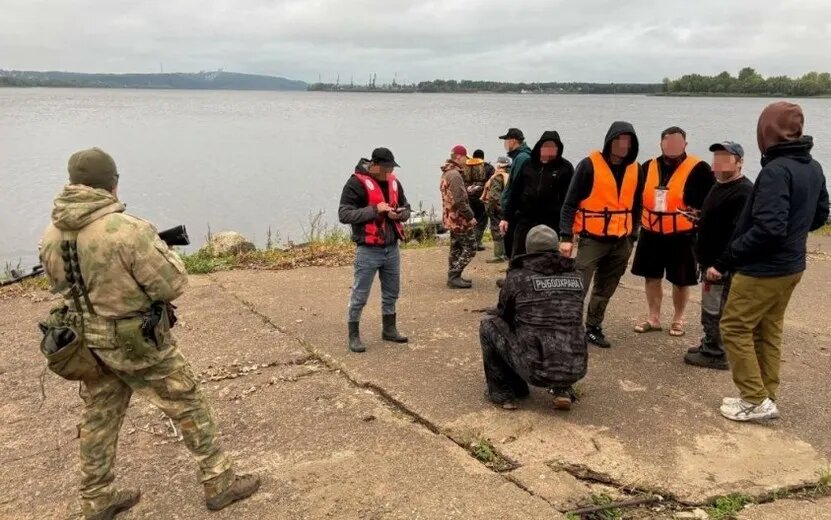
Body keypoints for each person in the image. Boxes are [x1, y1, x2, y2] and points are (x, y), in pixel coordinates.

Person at [38, 148, 259, 520]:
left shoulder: (52, 232)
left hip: (86, 344)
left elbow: (62, 284)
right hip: (136, 342)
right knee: (188, 403)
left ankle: (96, 499)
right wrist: (162, 253)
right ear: (113, 183)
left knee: (99, 418)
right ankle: (219, 482)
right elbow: (172, 284)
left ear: (73, 183)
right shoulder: (127, 230)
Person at [720, 102, 829, 422]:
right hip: (792, 266)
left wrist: (735, 251)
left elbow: (769, 228)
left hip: (762, 269)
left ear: (766, 132)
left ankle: (754, 398)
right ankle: (764, 394)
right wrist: (794, 234)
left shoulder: (776, 170)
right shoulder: (813, 166)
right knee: (768, 329)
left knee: (735, 327)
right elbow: (821, 215)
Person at [480, 225, 587, 411]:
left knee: (489, 325)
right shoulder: (576, 276)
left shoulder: (518, 277)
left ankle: (502, 393)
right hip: (577, 367)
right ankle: (563, 388)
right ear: (556, 248)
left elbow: (503, 313)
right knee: (561, 324)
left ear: (528, 250)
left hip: (536, 371)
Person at [559, 122, 644, 348]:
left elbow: (637, 206)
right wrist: (565, 237)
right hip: (592, 239)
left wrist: (632, 234)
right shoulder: (588, 166)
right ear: (609, 141)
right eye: (619, 140)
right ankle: (569, 328)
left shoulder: (637, 169)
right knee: (578, 285)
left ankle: (594, 327)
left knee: (606, 287)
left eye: (628, 141)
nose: (623, 145)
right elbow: (569, 204)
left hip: (621, 241)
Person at [632, 127, 714, 337]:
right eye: (668, 142)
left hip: (682, 234)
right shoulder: (647, 166)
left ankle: (678, 319)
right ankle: (654, 317)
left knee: (681, 280)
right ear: (661, 143)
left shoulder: (700, 168)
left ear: (685, 144)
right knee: (651, 277)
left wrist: (701, 219)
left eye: (678, 143)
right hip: (651, 232)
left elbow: (711, 202)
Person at [684, 142, 752, 370]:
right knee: (710, 306)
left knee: (715, 308)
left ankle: (715, 352)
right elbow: (718, 218)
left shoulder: (744, 191)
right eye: (716, 157)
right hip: (708, 260)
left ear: (740, 162)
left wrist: (720, 265)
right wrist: (700, 218)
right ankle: (710, 342)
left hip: (721, 265)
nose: (719, 162)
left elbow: (738, 234)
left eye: (726, 157)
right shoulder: (719, 184)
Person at [338, 147, 411, 353]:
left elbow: (406, 206)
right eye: (386, 168)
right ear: (375, 165)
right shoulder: (355, 183)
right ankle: (354, 335)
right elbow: (344, 214)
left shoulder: (394, 182)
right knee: (360, 294)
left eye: (391, 168)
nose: (390, 172)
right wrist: (374, 210)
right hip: (368, 250)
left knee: (392, 292)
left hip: (391, 248)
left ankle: (389, 329)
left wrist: (401, 214)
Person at [502, 131, 574, 257]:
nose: (550, 149)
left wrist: (567, 232)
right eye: (547, 145)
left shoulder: (565, 168)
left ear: (558, 149)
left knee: (548, 257)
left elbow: (569, 201)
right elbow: (515, 192)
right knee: (518, 256)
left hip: (552, 222)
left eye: (554, 146)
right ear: (540, 146)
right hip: (526, 219)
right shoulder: (528, 164)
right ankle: (516, 276)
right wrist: (506, 217)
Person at [441, 145, 477, 289]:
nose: (466, 162)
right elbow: (459, 200)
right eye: (465, 158)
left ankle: (454, 276)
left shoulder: (446, 173)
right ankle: (454, 276)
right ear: (458, 157)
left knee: (456, 247)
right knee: (471, 247)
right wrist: (470, 216)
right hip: (459, 219)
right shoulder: (455, 175)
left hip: (451, 218)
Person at [497, 128, 532, 259]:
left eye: (506, 140)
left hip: (516, 211)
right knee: (512, 244)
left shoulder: (522, 158)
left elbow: (515, 187)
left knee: (513, 245)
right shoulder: (519, 157)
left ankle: (514, 276)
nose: (505, 144)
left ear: (513, 141)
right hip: (515, 210)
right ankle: (513, 274)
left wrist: (508, 213)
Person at [481, 156, 512, 263]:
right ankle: (507, 253)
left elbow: (494, 196)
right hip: (508, 208)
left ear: (499, 165)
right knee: (507, 230)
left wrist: (490, 209)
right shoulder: (511, 175)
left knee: (496, 229)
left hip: (497, 209)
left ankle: (499, 255)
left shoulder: (497, 177)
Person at [465, 149, 493, 251]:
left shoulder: (467, 166)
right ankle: (476, 242)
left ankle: (470, 241)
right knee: (482, 220)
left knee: (471, 219)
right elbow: (492, 181)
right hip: (481, 197)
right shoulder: (488, 168)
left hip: (469, 198)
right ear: (483, 157)